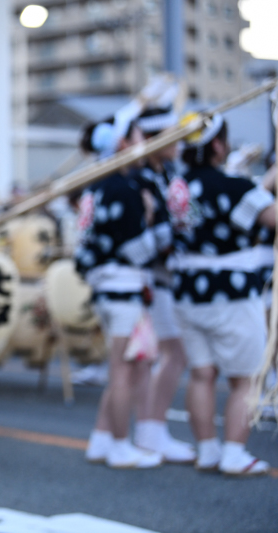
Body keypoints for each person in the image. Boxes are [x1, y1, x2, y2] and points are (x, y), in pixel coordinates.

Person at [167, 113, 275, 475]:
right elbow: (269, 217)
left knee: (202, 374)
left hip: (187, 294)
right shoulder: (234, 187)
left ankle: (208, 450)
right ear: (217, 144)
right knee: (243, 378)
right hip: (231, 292)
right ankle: (234, 452)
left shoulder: (177, 188)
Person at [75, 112, 163, 469]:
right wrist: (153, 219)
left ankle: (101, 438)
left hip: (104, 286)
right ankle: (120, 444)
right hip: (123, 285)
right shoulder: (123, 188)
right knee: (123, 370)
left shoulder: (94, 186)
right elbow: (136, 248)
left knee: (120, 368)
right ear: (123, 143)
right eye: (139, 136)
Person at [130, 107, 196, 463]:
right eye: (172, 133)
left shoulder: (168, 173)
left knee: (162, 355)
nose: (179, 141)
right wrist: (174, 230)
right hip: (150, 278)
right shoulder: (141, 179)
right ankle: (150, 431)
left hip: (169, 275)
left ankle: (152, 431)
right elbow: (146, 235)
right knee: (169, 353)